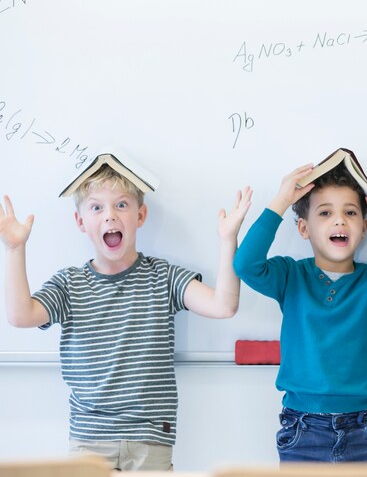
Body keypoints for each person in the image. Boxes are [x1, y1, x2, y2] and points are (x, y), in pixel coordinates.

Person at [1, 165, 251, 471]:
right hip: (89, 440)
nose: (110, 216)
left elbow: (223, 305)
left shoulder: (163, 277)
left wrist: (228, 241)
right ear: (81, 222)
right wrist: (15, 249)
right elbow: (20, 315)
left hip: (149, 438)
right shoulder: (69, 283)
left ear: (140, 216)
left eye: (121, 204)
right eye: (96, 207)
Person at [233, 163, 367, 463]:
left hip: (366, 427)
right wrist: (281, 201)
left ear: (364, 228)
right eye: (325, 213)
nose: (340, 221)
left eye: (351, 213)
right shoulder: (290, 276)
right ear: (303, 228)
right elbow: (246, 264)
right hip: (303, 427)